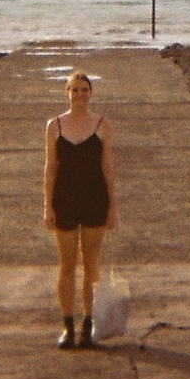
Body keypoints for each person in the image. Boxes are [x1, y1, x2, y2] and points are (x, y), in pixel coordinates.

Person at [42, 69, 116, 348]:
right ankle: (67, 327)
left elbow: (107, 166)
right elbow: (50, 168)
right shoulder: (54, 125)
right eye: (75, 89)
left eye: (84, 90)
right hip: (65, 199)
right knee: (67, 265)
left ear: (91, 94)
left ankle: (88, 325)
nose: (79, 95)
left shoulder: (102, 124)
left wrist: (112, 205)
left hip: (95, 198)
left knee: (91, 265)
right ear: (67, 93)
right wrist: (47, 205)